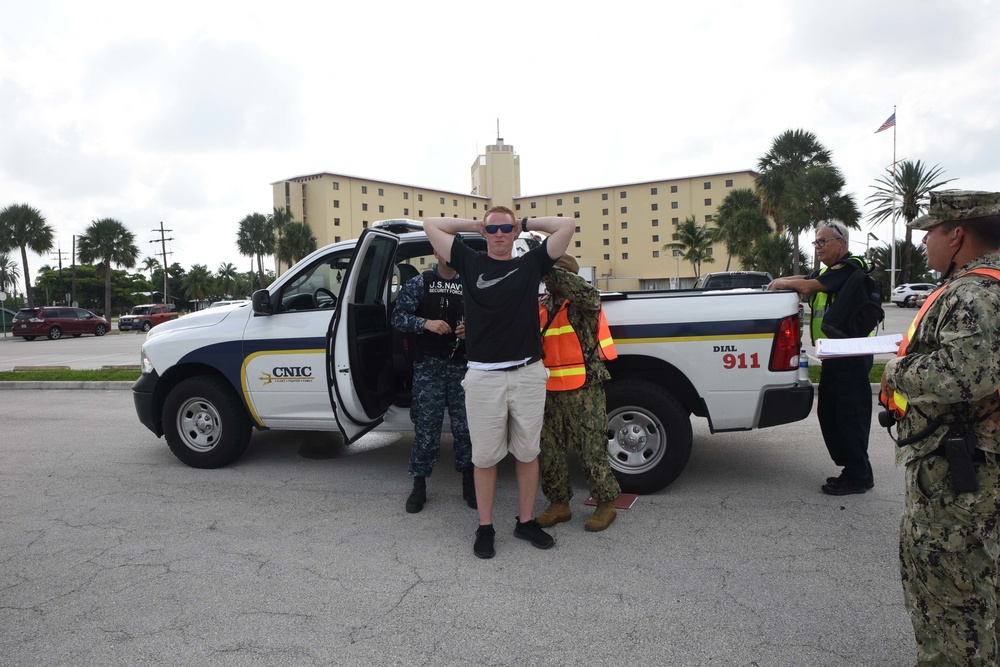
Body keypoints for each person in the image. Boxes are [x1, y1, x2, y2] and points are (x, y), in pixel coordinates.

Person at [880, 190, 1000, 665]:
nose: (925, 241)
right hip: (970, 463)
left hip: (959, 478)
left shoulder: (974, 292)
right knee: (979, 590)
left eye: (930, 232)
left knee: (953, 603)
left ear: (957, 235)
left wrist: (896, 372)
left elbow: (968, 372)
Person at [424, 207, 575, 559]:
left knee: (527, 452)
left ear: (514, 231)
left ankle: (525, 522)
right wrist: (472, 225)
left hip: (527, 373)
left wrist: (528, 224)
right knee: (486, 458)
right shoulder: (469, 260)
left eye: (506, 228)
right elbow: (431, 224)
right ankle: (486, 527)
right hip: (483, 378)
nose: (500, 234)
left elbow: (566, 226)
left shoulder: (531, 263)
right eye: (493, 229)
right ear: (485, 232)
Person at [767, 221, 875, 495]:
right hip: (834, 354)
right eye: (815, 242)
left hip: (851, 354)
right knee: (830, 413)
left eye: (822, 242)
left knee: (848, 416)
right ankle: (852, 469)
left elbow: (810, 285)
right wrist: (780, 284)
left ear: (841, 243)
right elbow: (807, 280)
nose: (817, 247)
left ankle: (859, 476)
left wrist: (779, 283)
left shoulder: (851, 266)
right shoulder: (831, 271)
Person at [535, 253, 621, 532]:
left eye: (554, 274)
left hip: (584, 389)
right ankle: (559, 504)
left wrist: (546, 264)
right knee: (550, 451)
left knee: (591, 449)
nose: (548, 279)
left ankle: (606, 503)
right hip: (549, 389)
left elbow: (584, 291)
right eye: (547, 275)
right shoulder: (542, 306)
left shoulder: (585, 301)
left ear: (569, 275)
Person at [390, 250, 475, 514]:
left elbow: (489, 320)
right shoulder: (420, 283)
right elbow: (398, 317)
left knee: (466, 429)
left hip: (462, 366)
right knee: (427, 428)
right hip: (429, 366)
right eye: (445, 250)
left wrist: (471, 328)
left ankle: (470, 480)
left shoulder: (469, 284)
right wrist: (426, 323)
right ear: (436, 253)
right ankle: (419, 484)